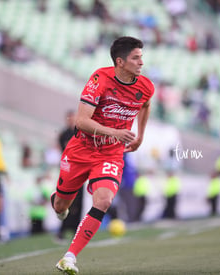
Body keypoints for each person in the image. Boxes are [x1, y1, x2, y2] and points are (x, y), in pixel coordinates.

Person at [51, 36, 154, 274]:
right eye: (135, 58)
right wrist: (116, 132)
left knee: (104, 201)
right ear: (120, 61)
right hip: (81, 149)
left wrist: (139, 136)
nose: (141, 62)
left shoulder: (146, 86)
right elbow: (82, 121)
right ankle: (59, 203)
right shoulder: (100, 79)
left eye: (141, 57)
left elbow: (146, 105)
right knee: (60, 206)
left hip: (110, 153)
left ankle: (69, 257)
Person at [57, 110, 84, 242]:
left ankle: (76, 231)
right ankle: (62, 230)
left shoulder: (81, 132)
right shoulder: (63, 135)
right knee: (65, 201)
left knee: (78, 202)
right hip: (68, 171)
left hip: (80, 170)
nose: (71, 120)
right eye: (70, 118)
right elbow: (62, 153)